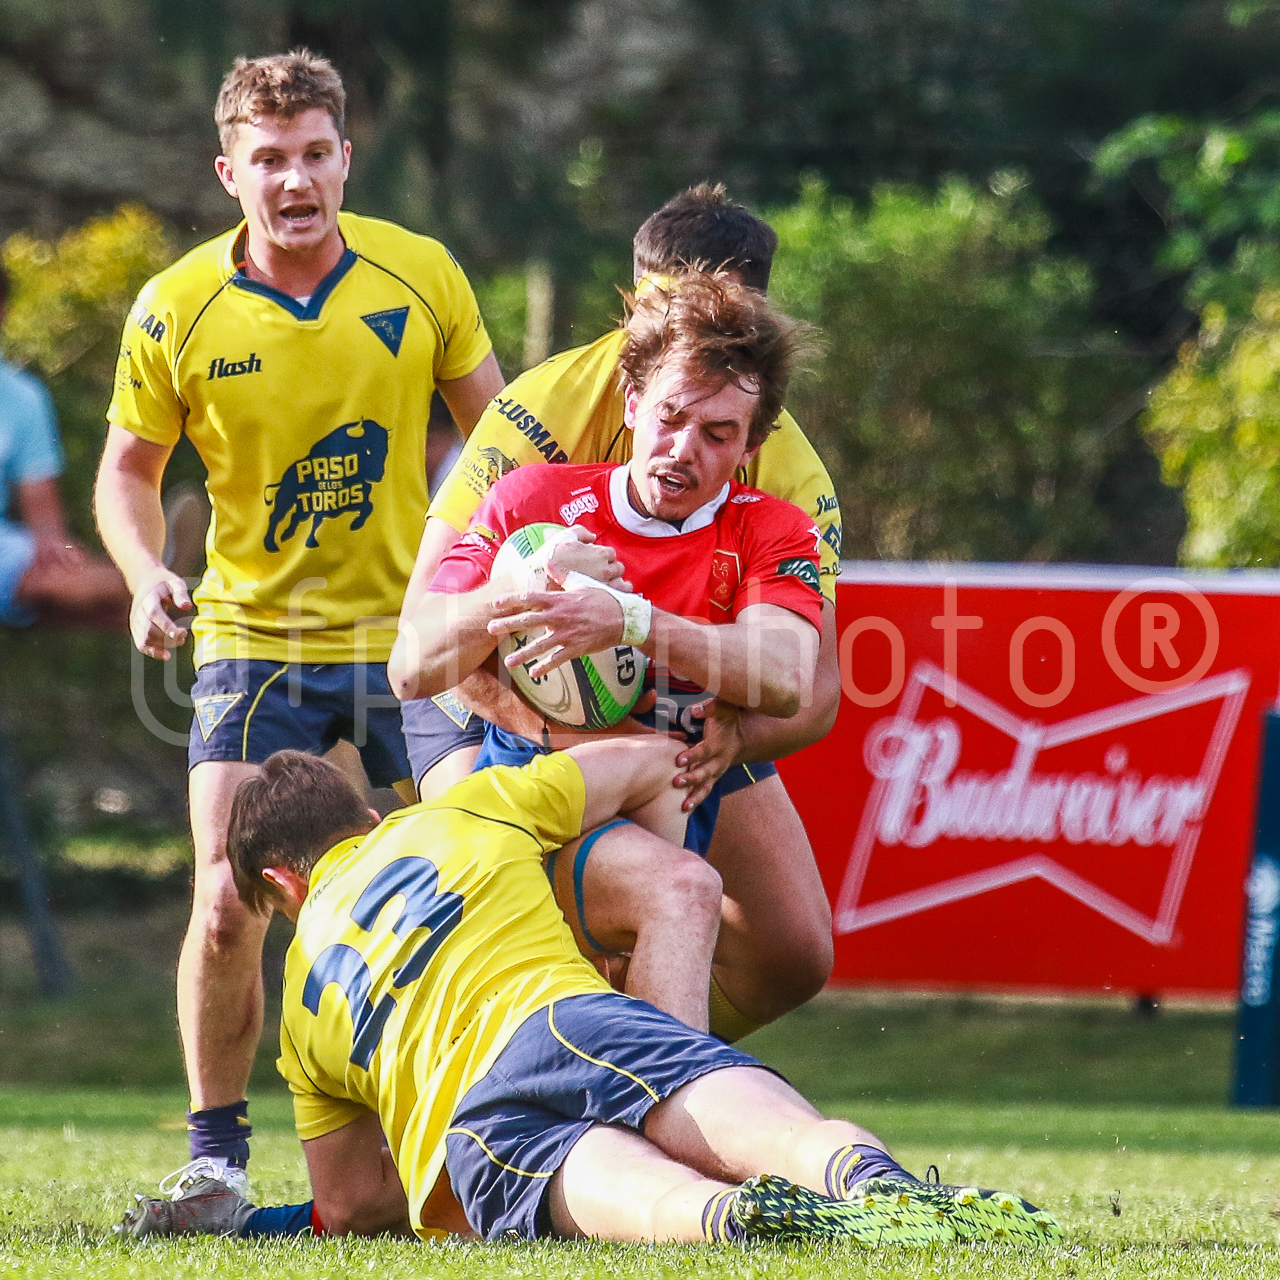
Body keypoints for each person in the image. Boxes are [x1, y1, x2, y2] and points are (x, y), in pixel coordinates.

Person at [93, 49, 505, 1200]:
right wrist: (143, 572)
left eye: (315, 154)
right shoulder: (176, 305)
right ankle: (214, 1160)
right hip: (253, 639)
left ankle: (472, 1134)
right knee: (228, 897)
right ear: (228, 172)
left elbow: (503, 441)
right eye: (269, 158)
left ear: (346, 159)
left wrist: (481, 578)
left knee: (463, 876)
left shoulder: (419, 274)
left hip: (408, 637)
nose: (295, 179)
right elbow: (127, 471)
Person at [122, 741, 1060, 1245]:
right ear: (368, 816)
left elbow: (355, 1207)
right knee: (748, 1118)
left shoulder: (301, 1012)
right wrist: (639, 883)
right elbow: (654, 758)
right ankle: (875, 1184)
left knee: (655, 1206)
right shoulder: (459, 811)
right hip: (572, 1019)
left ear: (281, 885)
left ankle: (726, 1220)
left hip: (473, 1132)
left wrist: (265, 1221)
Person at [394, 185, 842, 1042]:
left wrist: (727, 730)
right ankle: (501, 1060)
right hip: (494, 695)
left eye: (719, 432)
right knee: (509, 912)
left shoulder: (785, 488)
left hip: (674, 712)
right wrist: (541, 686)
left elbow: (806, 684)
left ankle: (625, 1063)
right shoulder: (536, 429)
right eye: (670, 414)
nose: (685, 447)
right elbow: (419, 649)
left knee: (790, 950)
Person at [0, 267, 130, 630]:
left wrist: (55, 548)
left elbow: (43, 515)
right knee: (108, 611)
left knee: (64, 581)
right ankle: (160, 593)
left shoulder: (23, 396)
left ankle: (148, 584)